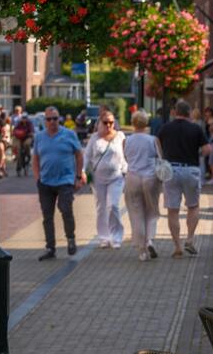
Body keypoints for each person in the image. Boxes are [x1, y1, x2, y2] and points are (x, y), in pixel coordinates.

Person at [156, 99, 210, 257]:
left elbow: (157, 144)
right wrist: (198, 153)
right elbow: (207, 149)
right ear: (189, 113)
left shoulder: (165, 128)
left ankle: (177, 246)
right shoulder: (196, 128)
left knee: (172, 210)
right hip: (190, 169)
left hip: (171, 170)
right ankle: (190, 239)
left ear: (175, 112)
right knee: (193, 206)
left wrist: (163, 157)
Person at [33, 106, 84, 261]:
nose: (52, 122)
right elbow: (35, 158)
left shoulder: (69, 134)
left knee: (65, 208)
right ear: (45, 121)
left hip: (65, 180)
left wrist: (78, 176)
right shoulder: (39, 137)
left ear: (59, 119)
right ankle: (50, 247)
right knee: (47, 215)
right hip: (46, 182)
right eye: (49, 119)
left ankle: (70, 239)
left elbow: (79, 155)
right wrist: (37, 178)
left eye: (55, 118)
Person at [84, 110, 127, 248]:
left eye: (111, 122)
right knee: (101, 208)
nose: (109, 125)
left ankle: (117, 237)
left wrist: (125, 169)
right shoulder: (95, 138)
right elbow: (87, 156)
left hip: (116, 177)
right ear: (99, 123)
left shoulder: (120, 136)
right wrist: (83, 171)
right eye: (105, 122)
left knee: (113, 206)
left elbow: (126, 155)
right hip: (98, 179)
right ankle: (104, 237)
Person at [123, 110, 161, 261]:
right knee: (152, 211)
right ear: (146, 124)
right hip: (150, 177)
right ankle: (150, 240)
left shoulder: (126, 140)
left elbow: (126, 158)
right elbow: (160, 159)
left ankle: (141, 251)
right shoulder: (153, 140)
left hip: (133, 177)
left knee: (136, 213)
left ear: (133, 123)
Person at [12, 109, 34, 177]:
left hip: (27, 137)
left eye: (25, 118)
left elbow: (32, 132)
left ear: (27, 118)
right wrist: (15, 133)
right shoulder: (19, 123)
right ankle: (18, 167)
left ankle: (28, 155)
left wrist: (29, 134)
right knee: (18, 150)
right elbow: (15, 130)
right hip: (19, 138)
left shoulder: (30, 124)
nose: (24, 119)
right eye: (23, 118)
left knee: (26, 144)